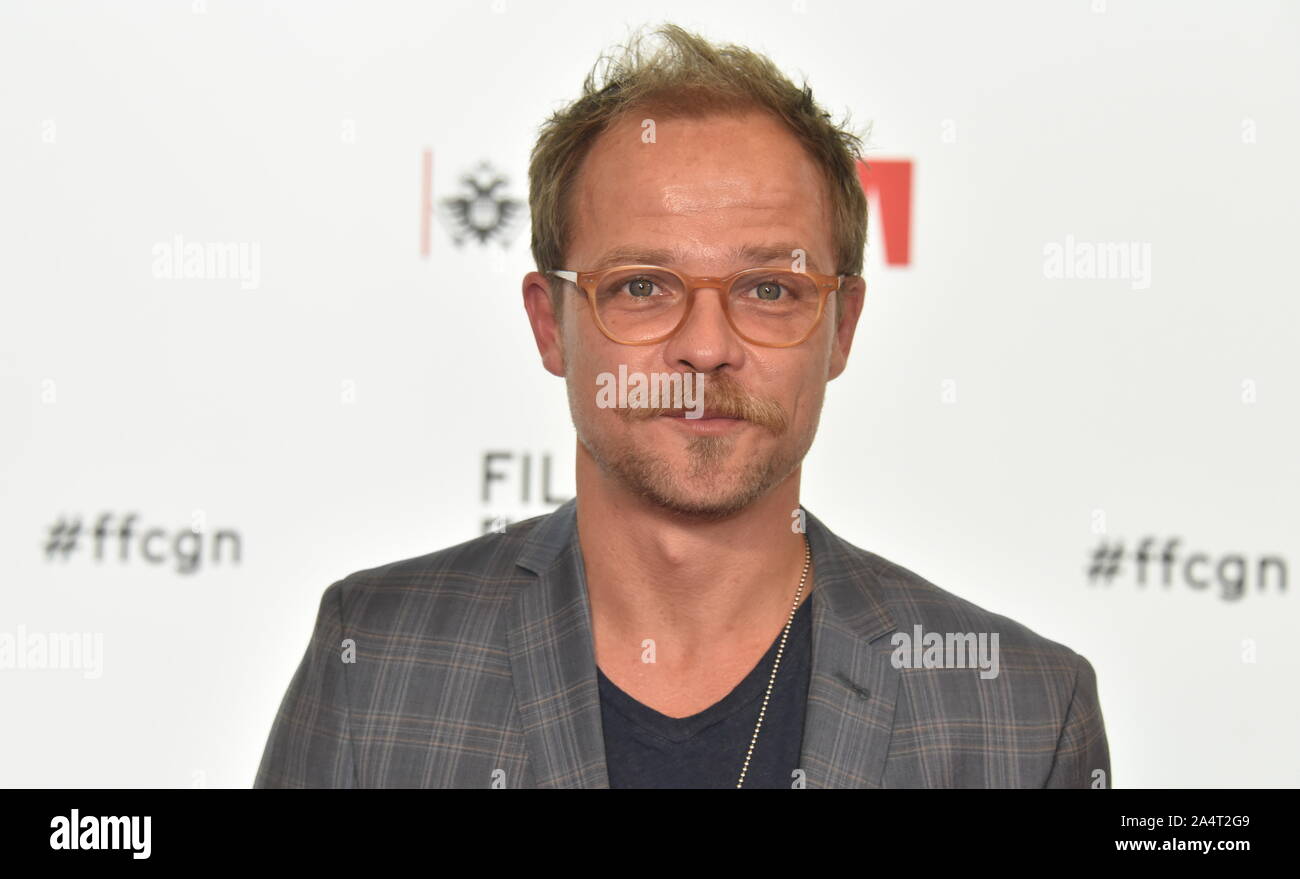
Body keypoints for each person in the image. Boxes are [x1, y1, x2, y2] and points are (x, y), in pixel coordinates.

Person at [255, 22, 1110, 789]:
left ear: (841, 326)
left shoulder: (1019, 714)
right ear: (551, 325)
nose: (706, 346)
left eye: (770, 287)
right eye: (642, 286)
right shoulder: (376, 657)